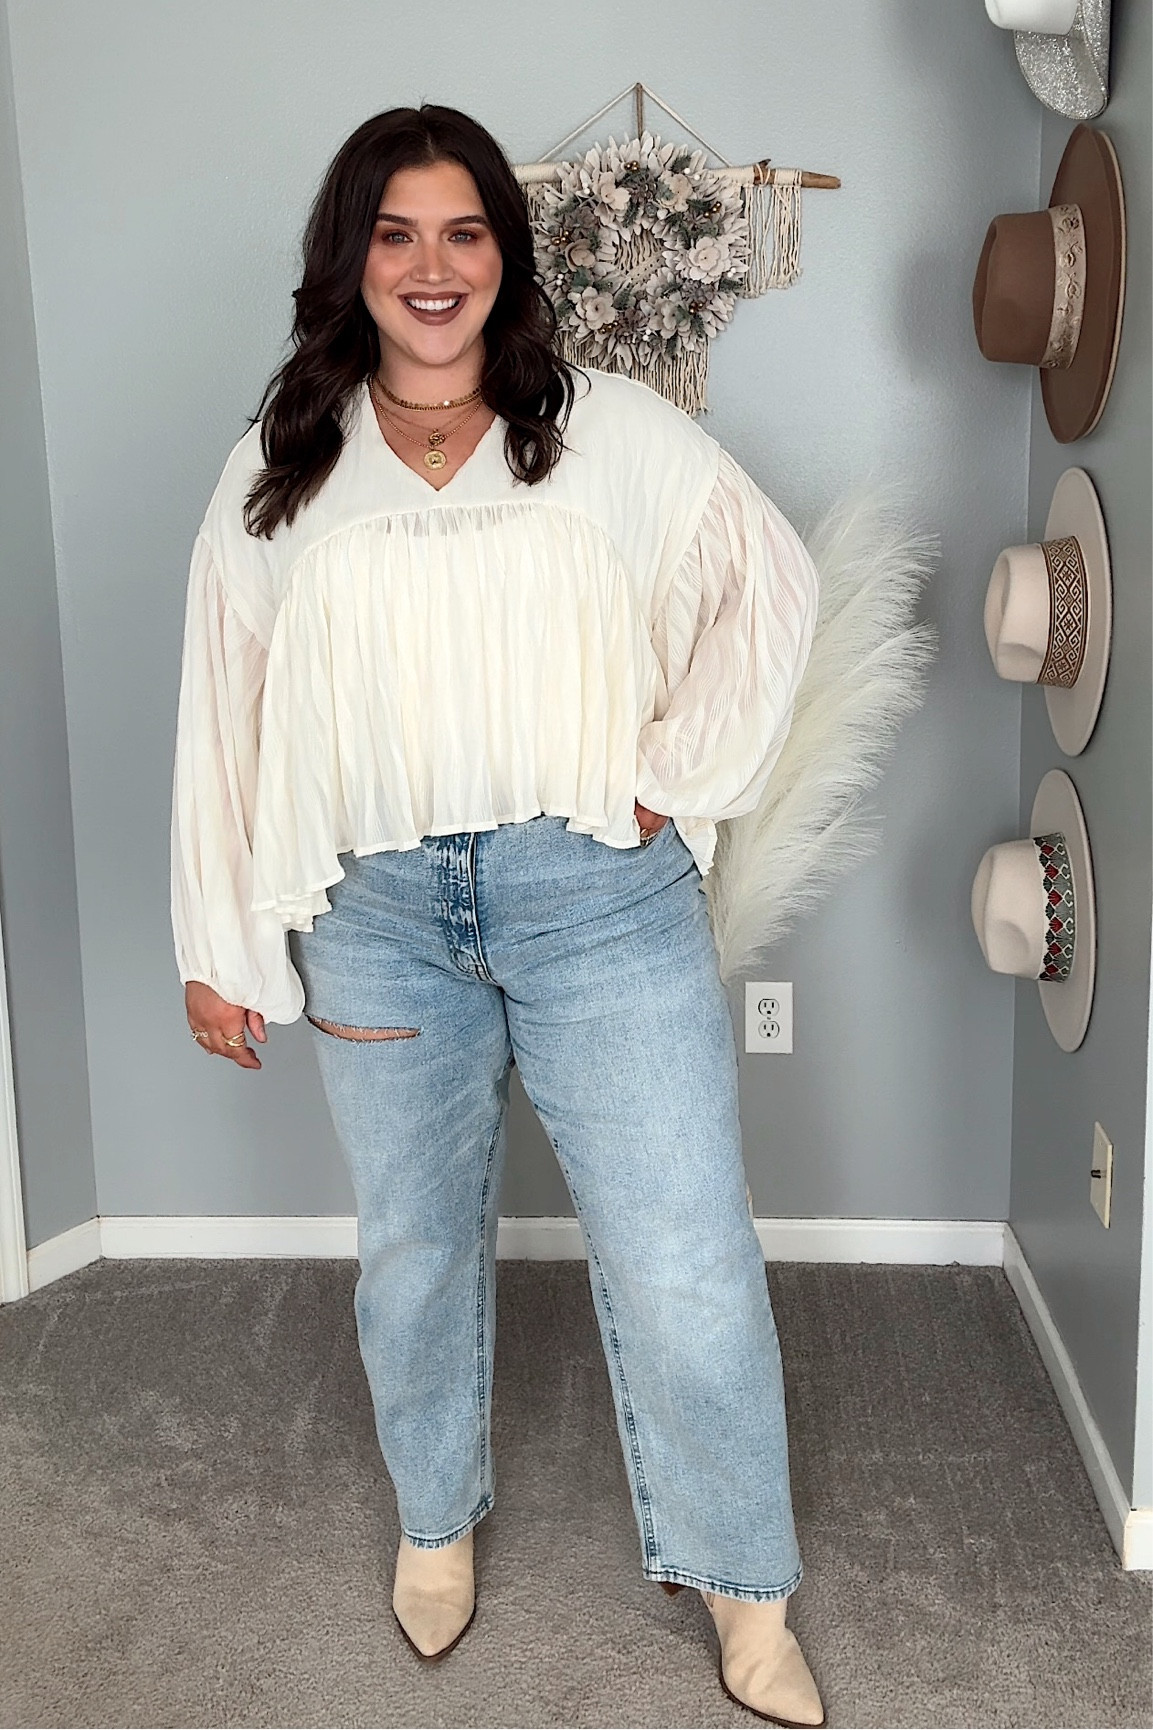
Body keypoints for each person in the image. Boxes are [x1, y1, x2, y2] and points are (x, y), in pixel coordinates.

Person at [170, 103, 824, 1728]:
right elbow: (224, 706)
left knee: (681, 1249)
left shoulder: (605, 432)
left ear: (503, 258)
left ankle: (743, 1579)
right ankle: (434, 1520)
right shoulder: (279, 466)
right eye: (395, 233)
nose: (431, 266)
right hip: (378, 912)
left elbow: (769, 580)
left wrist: (679, 768)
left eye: (462, 231)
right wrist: (222, 940)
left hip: (594, 892)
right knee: (411, 1249)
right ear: (351, 261)